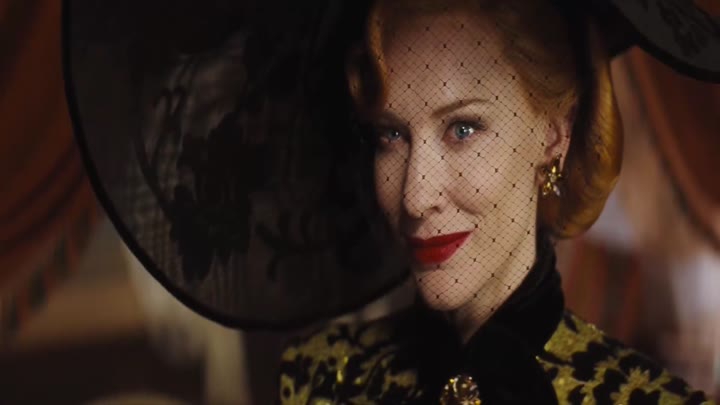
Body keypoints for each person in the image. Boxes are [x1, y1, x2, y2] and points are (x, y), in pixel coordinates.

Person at [63, 0, 720, 403]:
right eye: (390, 136)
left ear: (553, 134)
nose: (414, 193)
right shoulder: (321, 379)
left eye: (463, 129)